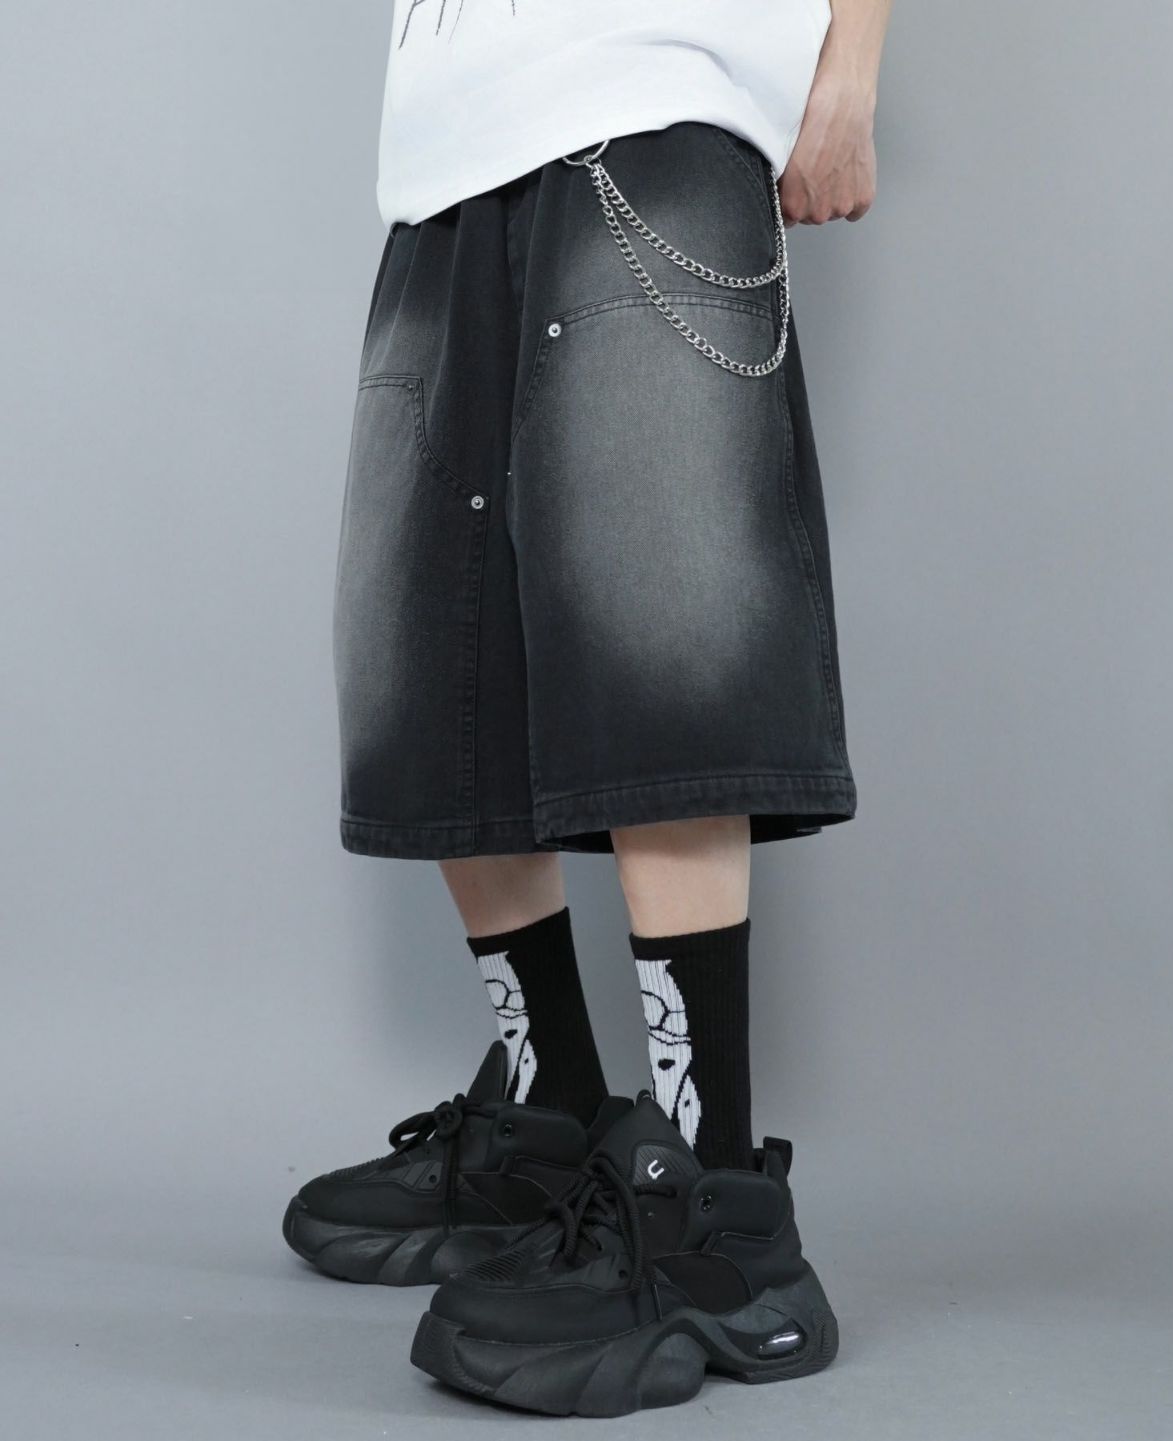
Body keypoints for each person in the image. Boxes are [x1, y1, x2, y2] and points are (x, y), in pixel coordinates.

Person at [284, 0, 891, 1417]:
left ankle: (718, 1221)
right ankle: (550, 1116)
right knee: (433, 668)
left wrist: (851, 66)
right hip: (443, 153)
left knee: (659, 642)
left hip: (653, 98)